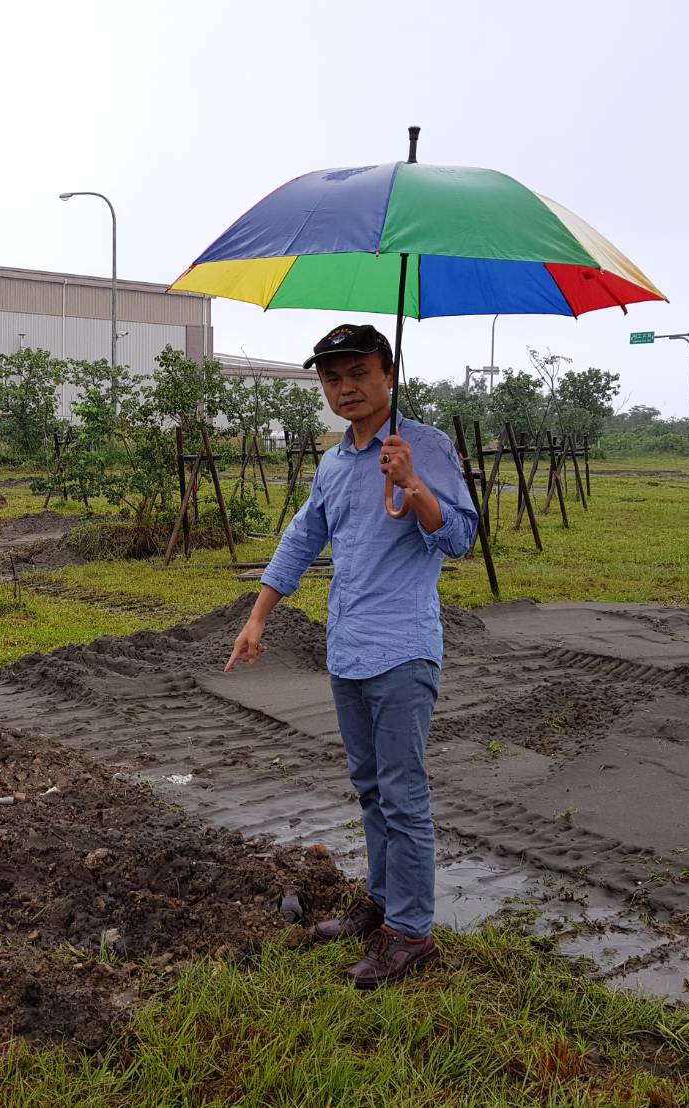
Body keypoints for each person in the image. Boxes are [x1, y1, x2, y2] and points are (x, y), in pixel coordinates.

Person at [225, 322, 477, 989]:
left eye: (357, 374)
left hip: (402, 652)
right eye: (332, 379)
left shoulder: (425, 446)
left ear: (386, 373)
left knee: (402, 796)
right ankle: (382, 903)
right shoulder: (334, 463)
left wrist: (414, 484)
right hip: (347, 649)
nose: (345, 388)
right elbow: (301, 539)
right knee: (369, 790)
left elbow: (458, 538)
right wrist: (256, 619)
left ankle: (412, 934)